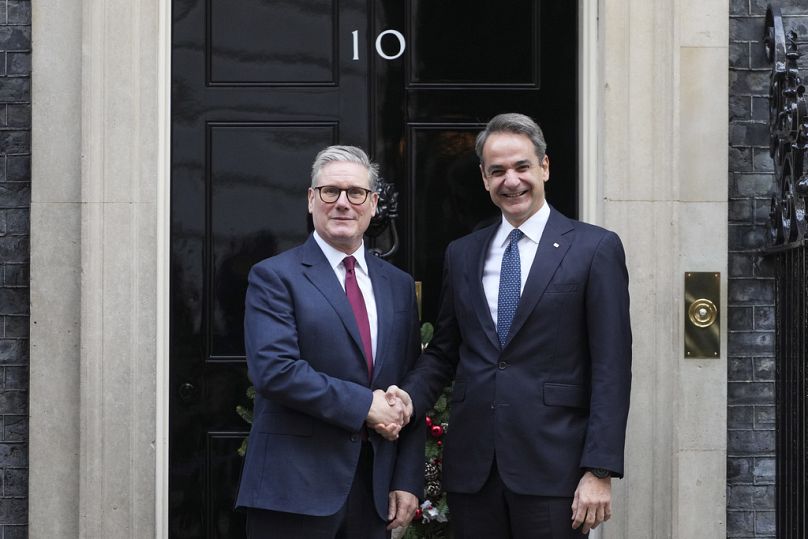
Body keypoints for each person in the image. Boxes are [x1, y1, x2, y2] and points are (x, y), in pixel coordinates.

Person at [381, 113, 632, 538]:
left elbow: (611, 367)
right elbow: (444, 352)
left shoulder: (594, 248)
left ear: (545, 168)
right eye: (497, 171)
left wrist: (600, 469)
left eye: (521, 167)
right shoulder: (462, 253)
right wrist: (404, 399)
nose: (510, 181)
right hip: (473, 471)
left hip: (555, 471)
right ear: (484, 178)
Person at [236, 145, 424, 538]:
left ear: (373, 205)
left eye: (355, 193)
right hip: (292, 491)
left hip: (373, 493)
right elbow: (275, 372)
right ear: (311, 199)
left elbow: (409, 383)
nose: (343, 203)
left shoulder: (399, 286)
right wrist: (365, 406)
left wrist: (407, 479)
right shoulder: (275, 277)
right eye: (330, 192)